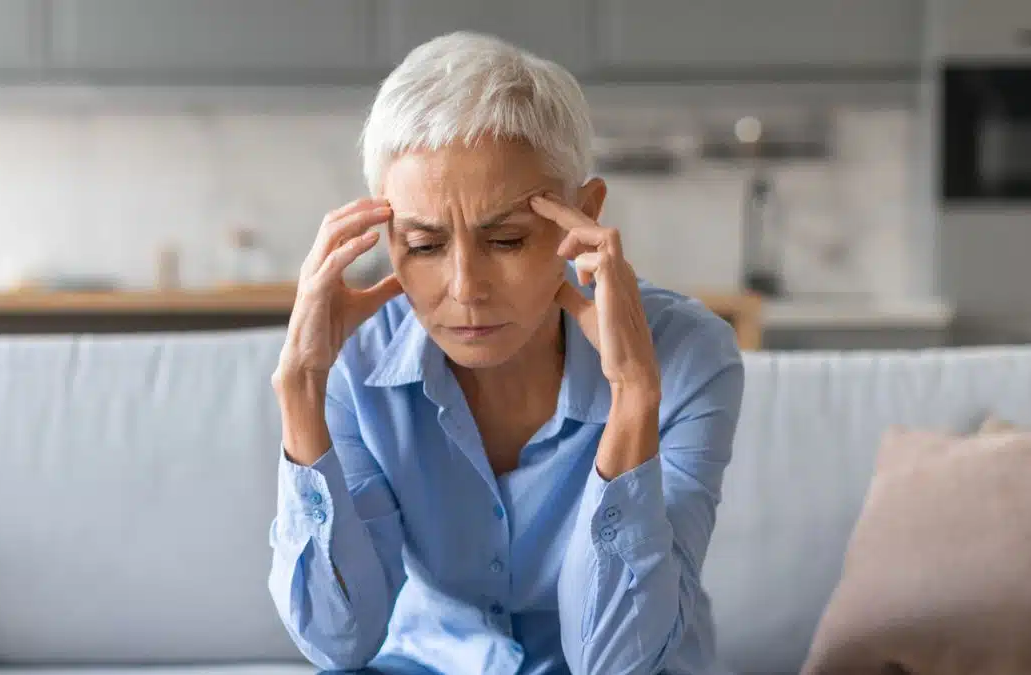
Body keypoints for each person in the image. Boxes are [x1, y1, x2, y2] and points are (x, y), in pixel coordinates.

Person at [268, 32, 744, 675]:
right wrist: (301, 391)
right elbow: (337, 643)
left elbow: (616, 660)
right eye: (426, 246)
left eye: (508, 240)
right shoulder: (354, 362)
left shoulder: (688, 354)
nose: (465, 289)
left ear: (584, 216)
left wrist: (634, 394)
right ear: (387, 237)